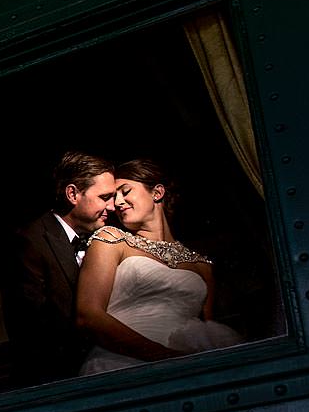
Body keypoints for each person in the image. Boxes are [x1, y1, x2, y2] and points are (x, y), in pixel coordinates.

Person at [75, 159, 243, 375]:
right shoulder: (112, 240)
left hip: (189, 367)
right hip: (121, 364)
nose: (117, 202)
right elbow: (88, 316)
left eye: (125, 192)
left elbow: (208, 329)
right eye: (112, 196)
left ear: (157, 193)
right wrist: (164, 358)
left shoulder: (201, 265)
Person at [9, 152, 120, 384]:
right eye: (104, 197)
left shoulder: (107, 240)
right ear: (73, 194)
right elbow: (30, 329)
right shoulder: (31, 241)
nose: (113, 206)